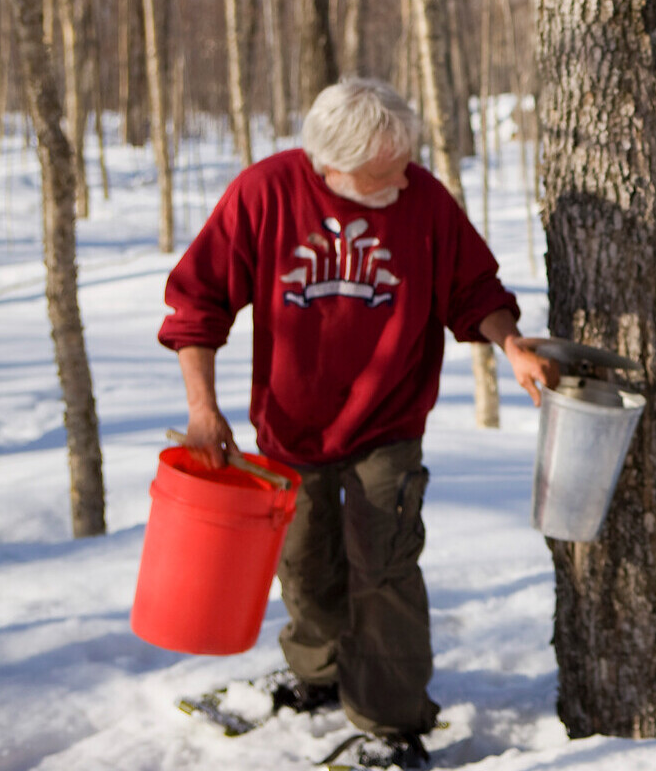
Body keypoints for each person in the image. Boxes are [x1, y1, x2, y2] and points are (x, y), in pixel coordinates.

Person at [159, 78, 557, 770]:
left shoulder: (421, 197)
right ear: (331, 165)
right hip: (291, 425)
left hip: (389, 422)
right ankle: (316, 676)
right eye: (386, 170)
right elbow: (199, 301)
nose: (404, 179)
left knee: (385, 567)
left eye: (406, 162)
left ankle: (391, 720)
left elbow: (473, 288)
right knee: (304, 565)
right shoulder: (266, 193)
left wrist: (510, 344)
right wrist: (202, 407)